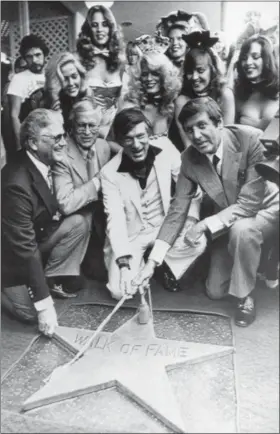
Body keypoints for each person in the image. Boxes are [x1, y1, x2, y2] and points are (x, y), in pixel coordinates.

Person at [134, 97, 279, 327]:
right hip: (229, 220)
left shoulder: (250, 139)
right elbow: (177, 211)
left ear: (219, 122)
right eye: (190, 130)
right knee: (215, 291)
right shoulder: (189, 159)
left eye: (202, 126)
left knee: (242, 231)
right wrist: (152, 262)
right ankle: (252, 261)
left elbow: (250, 204)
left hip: (266, 211)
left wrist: (202, 225)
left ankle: (245, 297)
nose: (197, 136)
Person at [100, 108, 206, 300]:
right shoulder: (108, 174)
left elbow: (192, 188)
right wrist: (124, 265)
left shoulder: (165, 147)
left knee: (197, 241)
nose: (136, 145)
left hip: (164, 225)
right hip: (133, 235)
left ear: (148, 134)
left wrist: (190, 220)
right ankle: (141, 263)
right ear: (119, 141)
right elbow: (115, 221)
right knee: (120, 291)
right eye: (128, 139)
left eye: (141, 136)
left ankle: (162, 263)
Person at [1, 109, 90, 337]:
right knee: (32, 314)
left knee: (78, 223)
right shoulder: (15, 184)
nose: (63, 143)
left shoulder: (43, 160)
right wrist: (45, 306)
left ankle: (45, 278)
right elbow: (24, 249)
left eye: (63, 136)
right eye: (56, 138)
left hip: (33, 239)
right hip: (9, 256)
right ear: (32, 143)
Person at [52, 99, 111, 279]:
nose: (87, 132)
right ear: (72, 126)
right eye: (81, 126)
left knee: (105, 273)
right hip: (73, 224)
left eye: (92, 126)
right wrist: (96, 182)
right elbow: (66, 204)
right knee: (77, 281)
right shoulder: (61, 154)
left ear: (99, 126)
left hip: (100, 223)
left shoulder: (103, 147)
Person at [174, 31, 235, 149]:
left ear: (212, 70)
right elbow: (189, 146)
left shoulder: (224, 95)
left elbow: (227, 139)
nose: (195, 77)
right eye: (190, 72)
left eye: (200, 70)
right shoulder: (181, 101)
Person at [76, 4, 125, 140]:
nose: (100, 30)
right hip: (87, 134)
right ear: (88, 29)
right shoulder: (78, 61)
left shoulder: (120, 62)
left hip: (116, 133)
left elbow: (124, 103)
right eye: (94, 25)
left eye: (104, 24)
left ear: (111, 27)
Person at [122, 50, 181, 139]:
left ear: (165, 76)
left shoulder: (175, 105)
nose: (149, 79)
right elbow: (111, 141)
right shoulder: (130, 106)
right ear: (139, 78)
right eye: (145, 74)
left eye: (155, 73)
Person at [6, 34, 49, 155]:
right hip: (32, 138)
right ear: (24, 58)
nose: (34, 60)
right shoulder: (19, 79)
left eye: (37, 55)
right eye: (29, 56)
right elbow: (14, 115)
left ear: (45, 54)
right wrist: (20, 146)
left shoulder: (52, 75)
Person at [235, 35, 279, 131]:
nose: (248, 62)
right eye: (244, 58)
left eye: (255, 57)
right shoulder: (239, 92)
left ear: (267, 59)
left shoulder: (277, 92)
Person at [44, 52, 93, 131]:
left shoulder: (87, 93)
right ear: (55, 81)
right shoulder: (46, 100)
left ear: (80, 75)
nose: (71, 83)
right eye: (65, 79)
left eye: (74, 76)